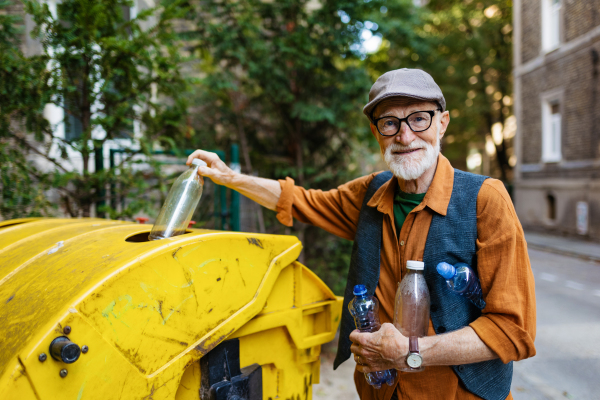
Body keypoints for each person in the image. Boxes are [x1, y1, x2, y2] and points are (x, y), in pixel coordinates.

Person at [186, 68, 536, 400]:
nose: (404, 135)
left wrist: (411, 352)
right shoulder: (371, 193)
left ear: (442, 123)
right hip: (380, 391)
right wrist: (231, 178)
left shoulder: (485, 199)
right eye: (389, 123)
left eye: (418, 118)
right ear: (376, 132)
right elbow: (301, 201)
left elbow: (513, 330)